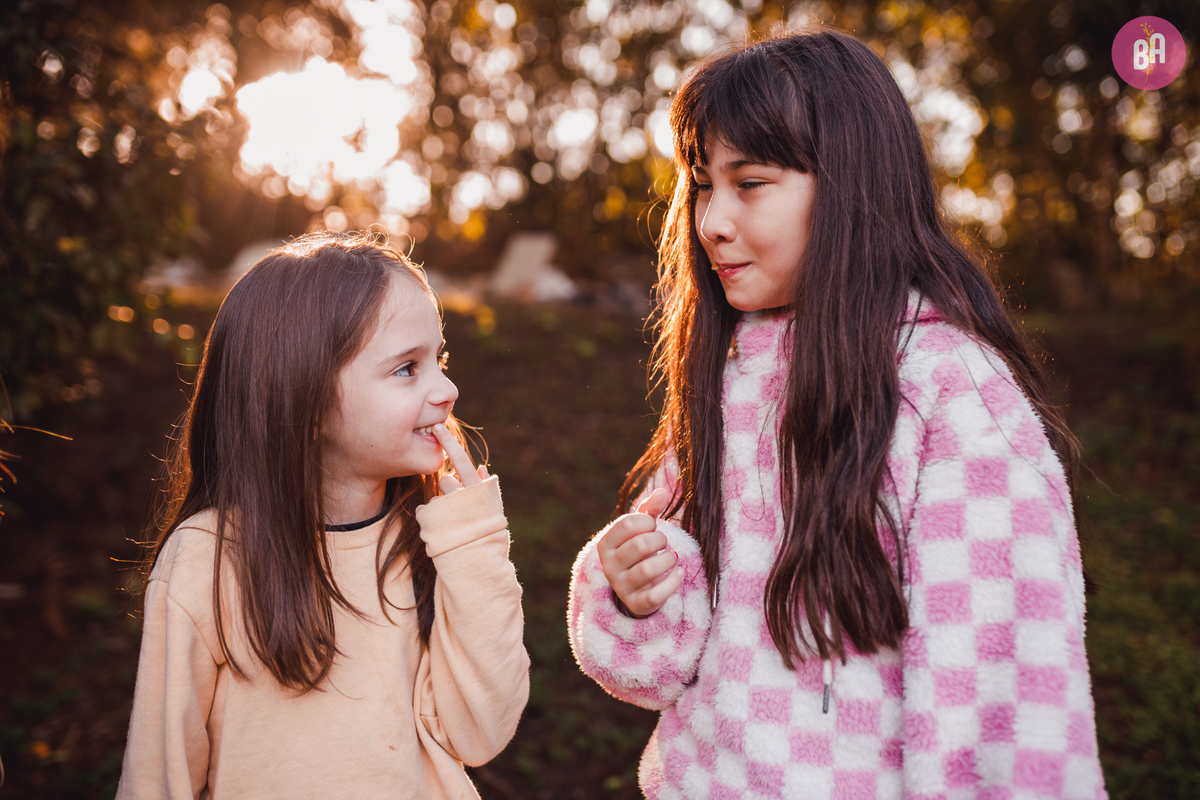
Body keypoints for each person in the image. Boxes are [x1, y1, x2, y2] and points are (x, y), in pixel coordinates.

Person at [568, 30, 1106, 799]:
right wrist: (635, 588)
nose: (711, 220)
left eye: (750, 183)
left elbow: (1001, 709)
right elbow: (659, 666)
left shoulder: (950, 394)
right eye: (703, 185)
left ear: (854, 187)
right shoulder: (731, 379)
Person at [117, 233, 529, 799]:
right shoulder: (206, 560)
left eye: (440, 359)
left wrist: (476, 546)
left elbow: (480, 734)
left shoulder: (437, 538)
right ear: (305, 403)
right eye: (407, 368)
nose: (448, 389)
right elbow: (157, 779)